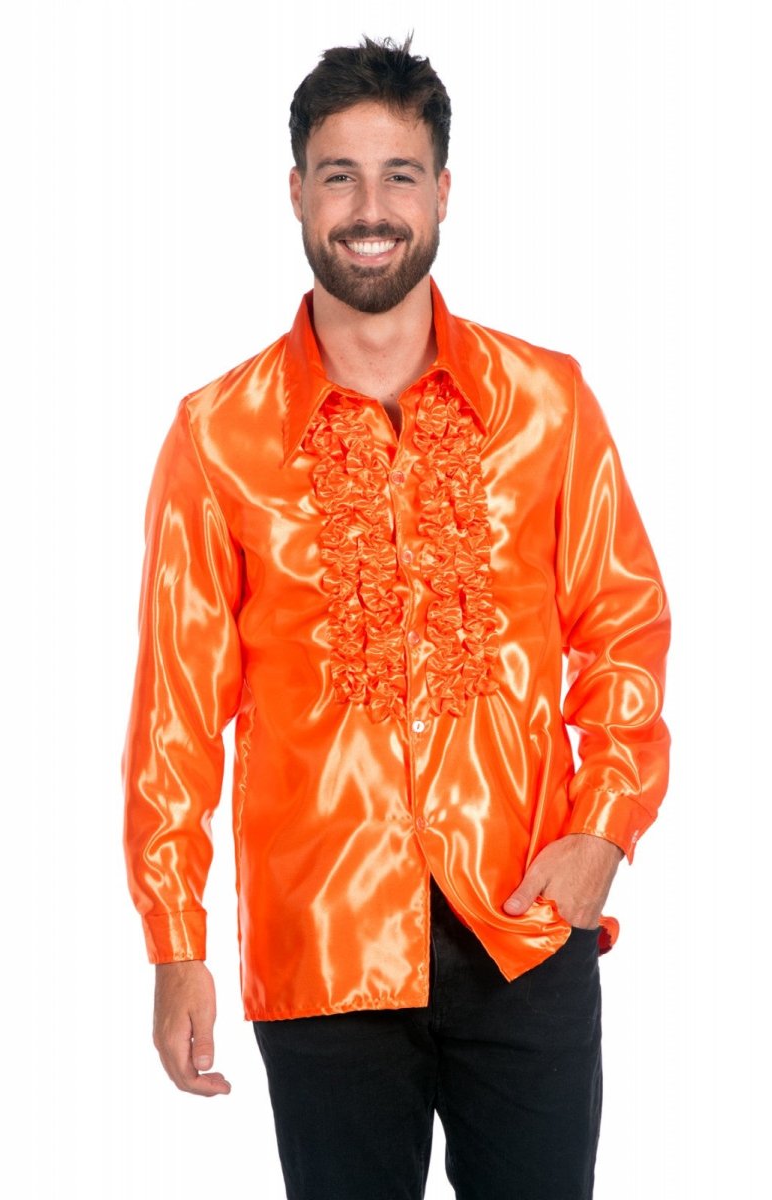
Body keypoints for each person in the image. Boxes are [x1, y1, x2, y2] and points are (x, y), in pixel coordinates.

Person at [121, 33, 671, 1200]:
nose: (368, 209)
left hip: (524, 924)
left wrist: (602, 832)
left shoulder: (547, 404)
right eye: (339, 176)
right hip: (321, 946)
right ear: (295, 192)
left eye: (398, 175)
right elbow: (174, 713)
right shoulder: (216, 438)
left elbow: (621, 627)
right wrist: (173, 943)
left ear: (442, 192)